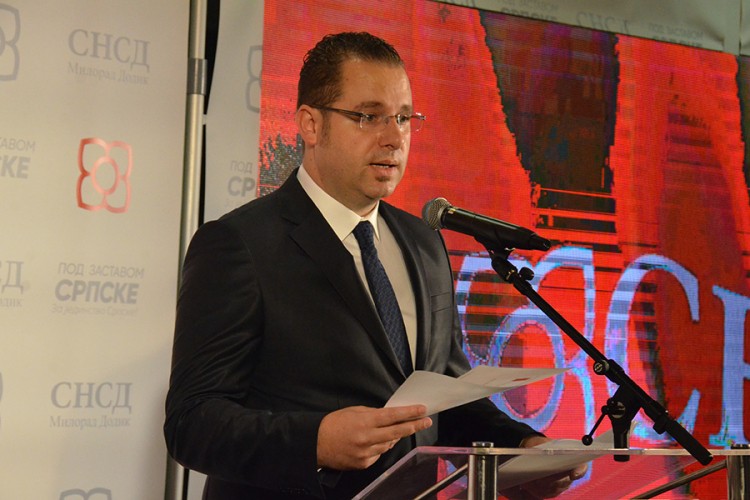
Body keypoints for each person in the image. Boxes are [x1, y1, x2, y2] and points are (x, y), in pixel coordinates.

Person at [164, 31, 585, 499]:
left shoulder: (424, 242)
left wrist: (521, 449)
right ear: (310, 125)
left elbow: (444, 396)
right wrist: (315, 441)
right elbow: (192, 422)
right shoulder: (240, 245)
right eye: (368, 116)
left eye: (403, 118)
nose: (393, 137)